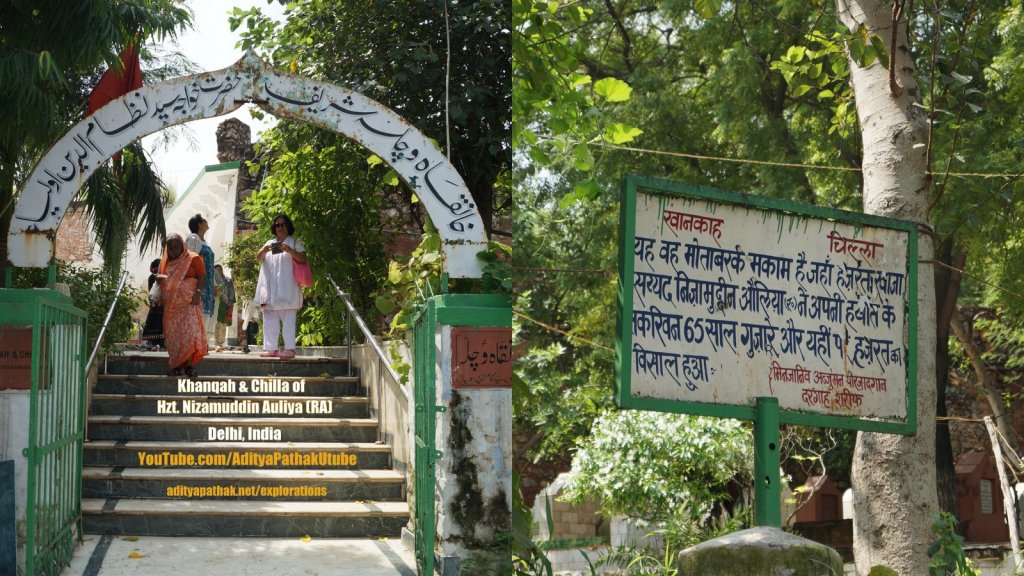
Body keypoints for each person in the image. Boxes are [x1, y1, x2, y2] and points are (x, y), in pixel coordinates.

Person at [255, 213, 307, 359]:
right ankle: (271, 349)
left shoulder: (295, 241)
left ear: (288, 226)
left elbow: (303, 259)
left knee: (289, 318)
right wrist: (264, 250)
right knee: (269, 317)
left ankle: (289, 349)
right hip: (270, 288)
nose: (280, 227)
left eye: (283, 224)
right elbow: (259, 258)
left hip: (288, 288)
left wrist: (289, 250)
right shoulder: (270, 242)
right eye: (277, 225)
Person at [155, 233, 207, 377]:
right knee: (174, 336)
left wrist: (198, 293)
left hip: (190, 303)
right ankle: (177, 366)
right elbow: (163, 280)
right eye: (170, 247)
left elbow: (202, 276)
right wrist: (161, 280)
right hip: (171, 307)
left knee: (190, 333)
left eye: (176, 246)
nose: (173, 249)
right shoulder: (165, 262)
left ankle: (189, 366)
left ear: (183, 245)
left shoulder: (193, 258)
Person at [186, 213, 217, 347]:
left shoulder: (204, 242)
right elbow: (189, 260)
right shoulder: (193, 239)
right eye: (204, 220)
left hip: (207, 284)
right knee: (197, 313)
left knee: (204, 314)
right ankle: (194, 345)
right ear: (199, 224)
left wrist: (214, 284)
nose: (206, 222)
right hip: (198, 283)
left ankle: (201, 345)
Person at [141, 258, 164, 350]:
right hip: (158, 306)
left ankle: (155, 344)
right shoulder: (154, 277)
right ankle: (155, 344)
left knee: (155, 325)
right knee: (156, 326)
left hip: (157, 307)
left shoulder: (154, 277)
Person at [213, 264, 236, 351]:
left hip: (225, 304)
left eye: (220, 270)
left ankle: (220, 343)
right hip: (215, 304)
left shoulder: (228, 280)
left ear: (222, 270)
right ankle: (216, 343)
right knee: (216, 324)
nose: (218, 272)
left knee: (223, 324)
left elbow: (231, 294)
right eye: (216, 270)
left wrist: (231, 305)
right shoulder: (213, 280)